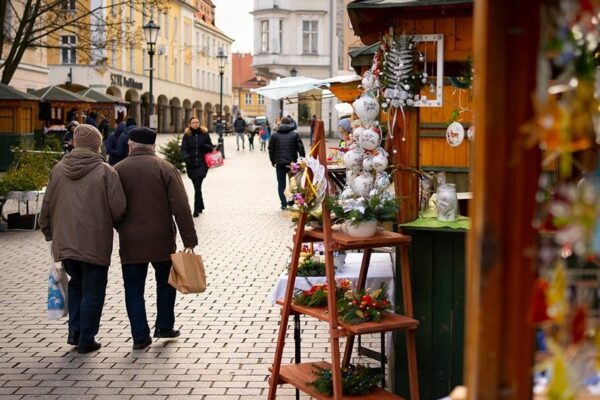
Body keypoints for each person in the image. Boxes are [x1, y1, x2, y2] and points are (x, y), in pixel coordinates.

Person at [39, 124, 126, 354]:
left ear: (75, 143)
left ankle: (74, 332)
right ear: (97, 144)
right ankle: (87, 338)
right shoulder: (107, 171)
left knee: (76, 285)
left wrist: (48, 232)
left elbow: (46, 206)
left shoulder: (57, 169)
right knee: (93, 290)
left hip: (65, 242)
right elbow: (119, 209)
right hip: (94, 242)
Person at [115, 127, 198, 350]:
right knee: (166, 282)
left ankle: (140, 337)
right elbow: (180, 206)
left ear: (130, 145)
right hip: (162, 239)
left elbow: (111, 207)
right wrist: (189, 239)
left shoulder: (117, 170)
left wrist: (119, 225)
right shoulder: (165, 168)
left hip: (130, 241)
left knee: (133, 289)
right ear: (153, 146)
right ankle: (163, 325)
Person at [268, 116, 306, 210]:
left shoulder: (274, 135)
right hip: (292, 165)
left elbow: (270, 150)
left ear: (281, 124)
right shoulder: (294, 135)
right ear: (290, 124)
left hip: (280, 164)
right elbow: (300, 148)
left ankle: (283, 203)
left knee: (281, 184)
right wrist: (302, 159)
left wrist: (273, 161)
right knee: (293, 183)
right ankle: (292, 201)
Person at [180, 117, 214, 217]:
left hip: (202, 164)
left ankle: (195, 209)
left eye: (197, 122)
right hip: (191, 164)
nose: (195, 124)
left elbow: (210, 147)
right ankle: (201, 205)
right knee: (197, 186)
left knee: (198, 184)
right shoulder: (187, 135)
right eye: (193, 122)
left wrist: (205, 146)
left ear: (199, 123)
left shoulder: (204, 134)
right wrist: (186, 157)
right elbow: (183, 148)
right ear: (190, 124)